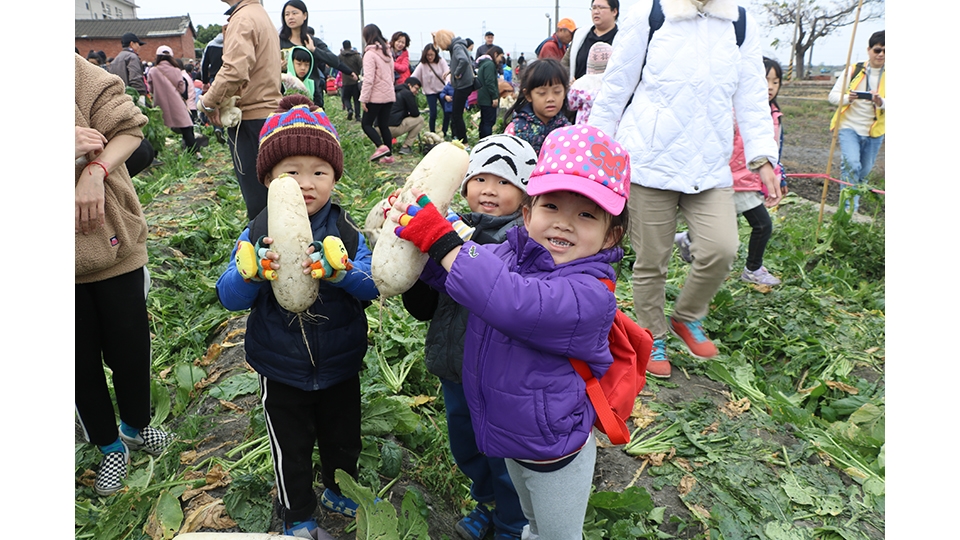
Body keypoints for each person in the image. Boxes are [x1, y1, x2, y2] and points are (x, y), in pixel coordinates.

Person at [388, 124, 630, 540]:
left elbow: (514, 302)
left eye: (586, 214)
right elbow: (459, 280)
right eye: (552, 207)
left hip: (554, 452)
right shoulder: (510, 254)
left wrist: (442, 240)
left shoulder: (590, 296)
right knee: (532, 522)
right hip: (512, 436)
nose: (565, 224)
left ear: (612, 234)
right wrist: (419, 245)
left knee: (557, 534)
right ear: (527, 213)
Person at [590, 0, 781, 378]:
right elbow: (616, 85)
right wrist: (597, 151)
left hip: (709, 165)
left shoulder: (740, 22)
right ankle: (653, 335)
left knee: (722, 248)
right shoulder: (651, 13)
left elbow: (752, 95)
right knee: (652, 261)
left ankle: (686, 316)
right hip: (650, 161)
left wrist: (763, 158)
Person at [216, 94, 379, 538]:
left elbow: (372, 285)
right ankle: (298, 513)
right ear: (269, 177)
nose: (307, 183)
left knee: (343, 436)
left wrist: (342, 273)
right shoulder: (255, 232)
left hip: (340, 362)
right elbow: (227, 295)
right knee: (291, 446)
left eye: (319, 172)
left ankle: (340, 488)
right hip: (281, 366)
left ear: (334, 177)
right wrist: (250, 275)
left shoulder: (345, 231)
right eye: (291, 172)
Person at [400, 135, 537, 540]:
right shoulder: (450, 226)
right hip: (456, 366)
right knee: (467, 444)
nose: (489, 191)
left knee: (505, 456)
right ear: (464, 186)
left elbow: (495, 281)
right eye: (480, 179)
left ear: (526, 195)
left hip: (499, 377)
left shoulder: (525, 243)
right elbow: (424, 305)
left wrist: (447, 242)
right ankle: (487, 504)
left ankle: (513, 524)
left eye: (504, 182)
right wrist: (412, 252)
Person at [75, 53, 172, 497]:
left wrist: (95, 171)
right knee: (78, 365)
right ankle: (110, 446)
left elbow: (129, 128)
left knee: (131, 347)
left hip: (111, 241)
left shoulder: (70, 68)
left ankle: (135, 427)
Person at [674, 57, 788, 289]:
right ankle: (753, 269)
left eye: (775, 82)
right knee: (762, 225)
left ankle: (688, 239)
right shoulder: (738, 110)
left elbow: (774, 149)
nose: (769, 87)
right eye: (765, 80)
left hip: (750, 180)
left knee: (725, 224)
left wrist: (778, 175)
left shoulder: (774, 113)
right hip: (736, 179)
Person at [201, 0, 283, 221]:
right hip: (268, 116)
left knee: (259, 201)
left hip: (251, 118)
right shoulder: (259, 14)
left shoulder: (243, 18)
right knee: (274, 194)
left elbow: (234, 71)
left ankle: (264, 249)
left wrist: (208, 102)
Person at [828, 30, 885, 214]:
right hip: (849, 128)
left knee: (864, 171)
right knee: (852, 164)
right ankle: (848, 212)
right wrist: (848, 98)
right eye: (877, 50)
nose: (881, 54)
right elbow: (833, 97)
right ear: (869, 50)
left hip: (874, 132)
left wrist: (881, 102)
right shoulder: (853, 70)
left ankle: (852, 205)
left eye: (886, 50)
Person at [279, 0, 355, 109]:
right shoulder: (278, 42)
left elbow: (334, 60)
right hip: (286, 99)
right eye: (287, 14)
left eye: (294, 13)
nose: (290, 17)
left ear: (305, 15)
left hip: (313, 99)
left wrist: (314, 50)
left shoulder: (313, 42)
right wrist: (278, 68)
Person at [502, 58, 571, 154]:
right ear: (528, 95)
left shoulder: (568, 131)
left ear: (565, 92)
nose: (550, 98)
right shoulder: (516, 129)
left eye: (557, 92)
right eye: (542, 93)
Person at [148, 45, 201, 158]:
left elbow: (151, 89)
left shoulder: (153, 70)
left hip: (159, 104)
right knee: (186, 127)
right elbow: (181, 89)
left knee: (157, 130)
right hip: (176, 102)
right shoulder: (177, 70)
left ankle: (153, 156)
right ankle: (195, 152)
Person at [358, 24, 397, 164]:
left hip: (375, 96)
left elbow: (368, 79)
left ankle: (381, 147)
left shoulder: (370, 54)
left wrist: (363, 99)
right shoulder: (388, 53)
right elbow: (392, 76)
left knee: (366, 124)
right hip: (389, 95)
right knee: (383, 125)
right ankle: (389, 156)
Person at [433, 29, 475, 147]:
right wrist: (450, 71)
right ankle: (461, 139)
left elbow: (463, 60)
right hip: (464, 84)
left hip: (463, 85)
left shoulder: (456, 47)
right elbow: (460, 61)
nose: (441, 48)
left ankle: (464, 142)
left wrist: (456, 73)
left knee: (456, 115)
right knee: (456, 114)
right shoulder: (459, 45)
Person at [565, 0, 619, 82]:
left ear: (614, 11)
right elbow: (565, 64)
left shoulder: (622, 39)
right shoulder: (580, 35)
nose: (596, 12)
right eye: (594, 8)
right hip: (578, 92)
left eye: (601, 8)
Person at [566, 42, 613, 124]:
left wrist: (571, 86)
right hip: (608, 126)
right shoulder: (613, 82)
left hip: (585, 128)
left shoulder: (581, 83)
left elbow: (571, 104)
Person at [411, 43, 449, 133]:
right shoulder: (422, 65)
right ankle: (432, 132)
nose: (430, 57)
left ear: (435, 54)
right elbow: (414, 77)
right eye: (428, 55)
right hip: (430, 92)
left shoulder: (441, 61)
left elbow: (447, 73)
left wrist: (448, 85)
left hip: (442, 90)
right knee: (433, 113)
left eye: (432, 55)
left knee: (447, 112)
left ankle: (445, 131)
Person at [383, 76, 424, 155]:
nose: (417, 91)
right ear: (409, 85)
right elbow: (415, 113)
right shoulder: (407, 93)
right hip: (391, 129)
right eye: (416, 88)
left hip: (377, 128)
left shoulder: (393, 90)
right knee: (420, 119)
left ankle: (383, 145)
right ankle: (406, 146)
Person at [200, 33, 226, 143]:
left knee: (215, 104)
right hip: (229, 77)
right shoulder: (231, 42)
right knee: (231, 102)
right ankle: (232, 127)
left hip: (215, 78)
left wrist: (205, 81)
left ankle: (218, 128)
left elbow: (204, 65)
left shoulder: (210, 45)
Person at [107, 32, 148, 97]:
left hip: (119, 97)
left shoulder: (115, 60)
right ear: (132, 44)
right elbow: (135, 79)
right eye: (138, 44)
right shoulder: (132, 57)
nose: (139, 47)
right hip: (131, 96)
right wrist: (141, 94)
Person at [476, 46, 504, 139]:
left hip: (483, 98)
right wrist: (494, 97)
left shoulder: (483, 64)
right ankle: (487, 141)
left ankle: (481, 140)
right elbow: (490, 82)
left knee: (484, 121)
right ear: (495, 54)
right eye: (500, 57)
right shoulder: (490, 65)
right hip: (488, 99)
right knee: (489, 122)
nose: (500, 60)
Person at [339, 40, 363, 121]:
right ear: (350, 46)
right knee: (357, 100)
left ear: (343, 47)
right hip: (355, 81)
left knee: (346, 98)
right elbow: (361, 65)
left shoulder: (340, 56)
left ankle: (349, 109)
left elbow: (337, 65)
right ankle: (358, 116)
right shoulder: (356, 56)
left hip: (345, 82)